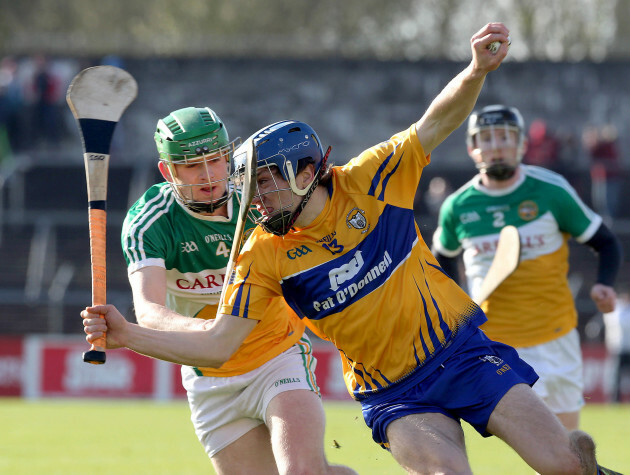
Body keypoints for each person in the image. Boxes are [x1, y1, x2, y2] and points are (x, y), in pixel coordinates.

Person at [83, 24, 619, 474]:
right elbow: (221, 343)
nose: (255, 199)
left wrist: (476, 71)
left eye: (265, 182)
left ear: (304, 169)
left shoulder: (372, 178)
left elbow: (435, 122)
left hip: (462, 353)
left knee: (562, 466)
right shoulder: (263, 250)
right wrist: (129, 334)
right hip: (392, 393)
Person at [117, 106, 356, 475]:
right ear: (167, 171)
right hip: (210, 379)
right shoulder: (151, 221)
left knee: (304, 472)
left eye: (215, 159)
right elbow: (148, 311)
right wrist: (211, 337)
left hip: (278, 355)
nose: (209, 174)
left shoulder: (260, 203)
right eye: (192, 165)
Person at [431, 104, 623, 432]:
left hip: (555, 340)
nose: (496, 146)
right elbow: (441, 258)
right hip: (493, 347)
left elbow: (606, 242)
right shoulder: (458, 207)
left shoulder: (551, 190)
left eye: (505, 137)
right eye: (486, 138)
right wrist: (457, 302)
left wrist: (604, 283)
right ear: (472, 148)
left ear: (521, 145)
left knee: (566, 450)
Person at [603, 283, 630, 402]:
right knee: (615, 378)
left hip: (628, 348)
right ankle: (615, 400)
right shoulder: (615, 309)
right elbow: (618, 322)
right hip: (617, 348)